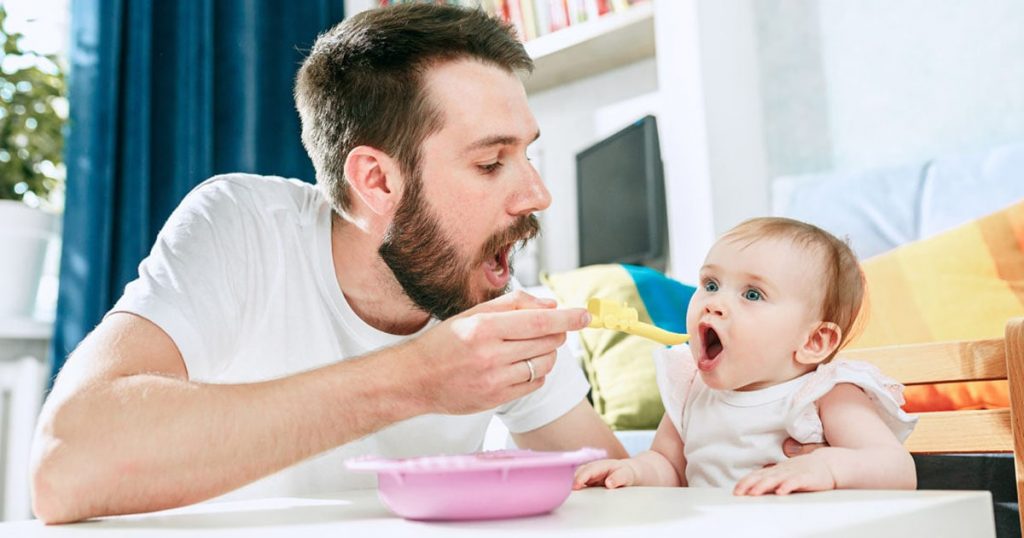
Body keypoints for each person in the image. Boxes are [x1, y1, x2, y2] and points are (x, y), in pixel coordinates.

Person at [29, 4, 628, 524]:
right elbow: (64, 465)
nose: (537, 194)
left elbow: (615, 489)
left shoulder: (477, 290)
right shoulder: (243, 227)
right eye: (492, 163)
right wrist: (417, 378)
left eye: (527, 154)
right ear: (377, 179)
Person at [574, 217, 918, 495]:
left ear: (814, 340)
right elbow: (668, 466)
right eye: (710, 284)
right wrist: (633, 471)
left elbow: (897, 469)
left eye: (752, 294)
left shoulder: (825, 393)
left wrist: (827, 467)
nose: (714, 302)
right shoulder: (690, 388)